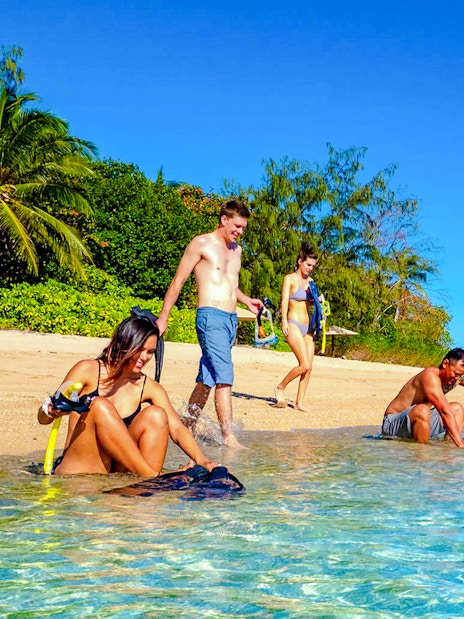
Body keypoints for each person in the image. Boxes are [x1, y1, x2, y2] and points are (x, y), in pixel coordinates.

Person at [38, 315, 217, 475]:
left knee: (157, 415)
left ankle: (148, 486)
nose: (145, 357)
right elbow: (43, 418)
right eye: (140, 349)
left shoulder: (148, 387)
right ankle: (155, 478)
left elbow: (177, 429)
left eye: (150, 352)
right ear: (124, 344)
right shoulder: (87, 370)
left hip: (117, 475)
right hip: (80, 470)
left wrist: (203, 461)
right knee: (99, 405)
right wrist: (51, 411)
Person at [156, 199, 262, 449]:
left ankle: (186, 426)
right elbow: (177, 282)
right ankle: (229, 436)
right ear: (224, 219)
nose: (240, 231)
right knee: (225, 373)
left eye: (244, 228)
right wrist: (163, 317)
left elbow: (230, 285)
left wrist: (247, 301)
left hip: (230, 320)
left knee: (209, 376)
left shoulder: (237, 250)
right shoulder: (201, 243)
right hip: (209, 316)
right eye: (237, 226)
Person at [274, 243, 323, 412]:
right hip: (293, 323)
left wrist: (317, 300)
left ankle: (299, 402)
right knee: (304, 364)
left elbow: (310, 304)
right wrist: (284, 322)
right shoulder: (290, 278)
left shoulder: (311, 282)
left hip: (308, 326)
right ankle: (280, 387)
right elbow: (285, 300)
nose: (310, 269)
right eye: (308, 265)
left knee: (309, 366)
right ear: (300, 261)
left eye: (313, 266)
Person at [381, 348, 464, 446]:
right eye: (455, 374)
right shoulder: (429, 376)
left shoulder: (455, 378)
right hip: (393, 424)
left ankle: (448, 451)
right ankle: (422, 455)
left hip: (421, 422)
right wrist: (461, 445)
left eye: (461, 375)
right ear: (445, 364)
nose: (457, 378)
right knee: (423, 409)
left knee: (457, 409)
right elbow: (444, 411)